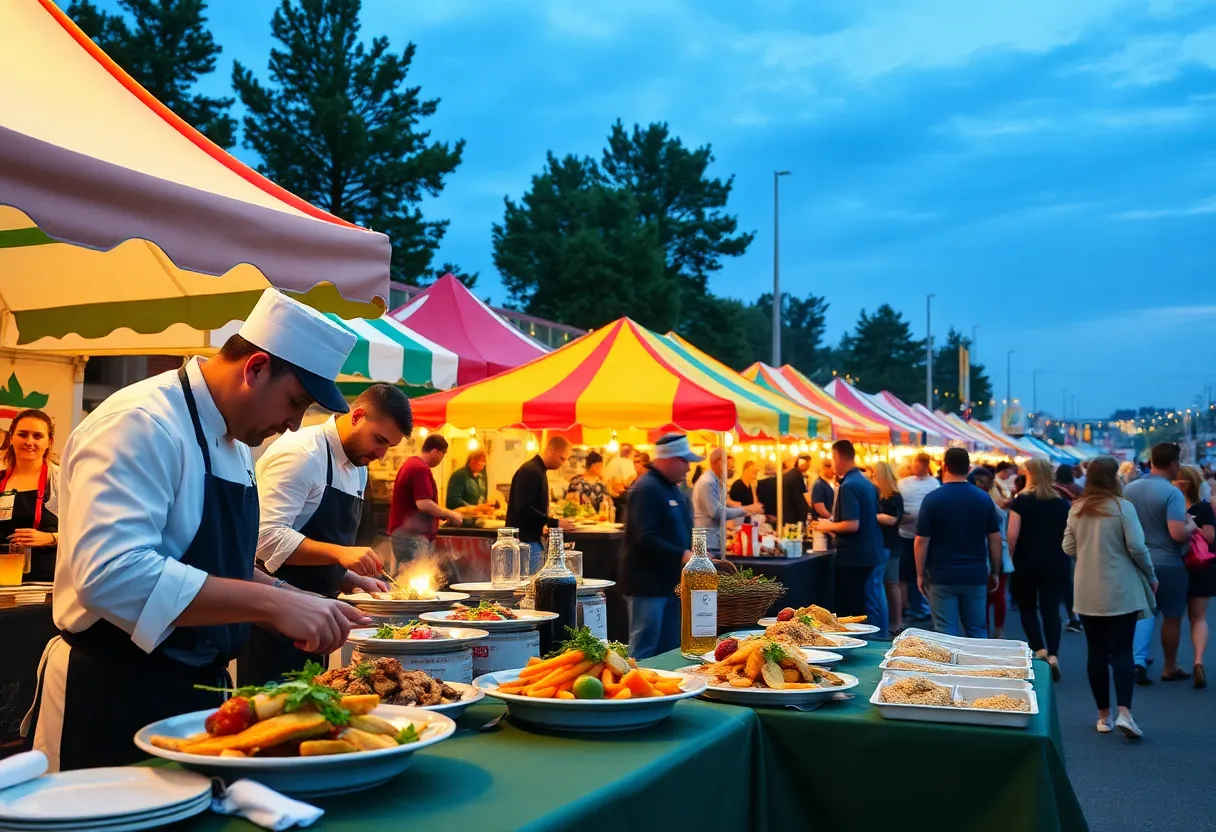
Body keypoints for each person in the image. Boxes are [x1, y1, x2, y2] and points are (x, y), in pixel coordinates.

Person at [25, 289, 371, 771]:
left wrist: (295, 596)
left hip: (195, 692)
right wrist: (273, 603)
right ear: (255, 368)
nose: (295, 424)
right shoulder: (141, 421)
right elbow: (111, 574)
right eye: (296, 401)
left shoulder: (234, 438)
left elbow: (211, 563)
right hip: (111, 694)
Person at [241, 384, 412, 683]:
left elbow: (308, 540)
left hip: (319, 615)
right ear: (357, 416)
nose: (381, 454)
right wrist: (340, 554)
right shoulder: (302, 453)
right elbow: (265, 539)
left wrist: (349, 578)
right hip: (274, 616)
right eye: (379, 440)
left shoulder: (359, 464)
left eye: (389, 446)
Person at [1064, 456, 1156, 738]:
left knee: (1096, 651)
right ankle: (1125, 712)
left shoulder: (1077, 508)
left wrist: (1089, 550)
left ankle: (1104, 716)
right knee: (1123, 650)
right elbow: (1138, 547)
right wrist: (1151, 575)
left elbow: (1068, 546)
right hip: (1121, 588)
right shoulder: (1122, 507)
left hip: (1087, 590)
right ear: (1112, 478)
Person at [621, 434, 700, 658]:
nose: (688, 467)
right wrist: (682, 554)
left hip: (669, 583)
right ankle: (637, 690)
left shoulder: (670, 487)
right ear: (669, 459)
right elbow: (644, 536)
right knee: (645, 646)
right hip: (648, 585)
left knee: (671, 646)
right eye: (684, 460)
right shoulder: (647, 488)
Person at [1125, 442, 1196, 684]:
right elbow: (1177, 533)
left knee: (1144, 611)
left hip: (1137, 561)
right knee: (1173, 615)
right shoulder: (1171, 492)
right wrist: (1191, 527)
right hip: (1168, 562)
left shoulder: (1130, 489)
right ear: (1174, 463)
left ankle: (1137, 659)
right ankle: (1169, 666)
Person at [914, 448, 1002, 637]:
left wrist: (920, 573)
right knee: (977, 629)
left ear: (944, 467)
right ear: (969, 468)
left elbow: (921, 541)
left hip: (941, 575)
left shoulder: (932, 499)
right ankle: (979, 666)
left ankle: (948, 667)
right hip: (975, 574)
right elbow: (995, 538)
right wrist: (995, 571)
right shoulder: (983, 499)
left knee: (945, 632)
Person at [1007, 458, 1071, 679]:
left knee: (1027, 608)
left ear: (1031, 474)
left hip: (1026, 562)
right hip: (1056, 562)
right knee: (1051, 609)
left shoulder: (1021, 501)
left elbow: (1012, 535)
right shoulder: (1062, 503)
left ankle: (1039, 649)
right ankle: (1054, 654)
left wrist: (1008, 560)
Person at [812, 441, 882, 619]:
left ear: (839, 458)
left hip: (852, 556)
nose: (832, 464)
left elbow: (852, 524)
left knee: (848, 609)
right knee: (860, 604)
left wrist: (827, 525)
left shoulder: (849, 485)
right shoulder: (865, 482)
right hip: (867, 552)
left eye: (832, 458)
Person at [388, 434, 463, 580]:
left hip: (406, 535)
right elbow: (423, 503)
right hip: (413, 537)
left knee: (406, 580)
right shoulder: (419, 468)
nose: (442, 459)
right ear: (436, 451)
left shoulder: (411, 464)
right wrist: (450, 514)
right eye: (443, 454)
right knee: (415, 581)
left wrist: (440, 515)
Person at [0, 410, 60, 582]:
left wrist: (49, 538)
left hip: (46, 581)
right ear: (11, 438)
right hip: (5, 577)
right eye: (23, 434)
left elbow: (84, 531)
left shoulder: (62, 480)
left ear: (49, 442)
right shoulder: (1, 478)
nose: (29, 442)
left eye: (37, 436)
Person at [506, 437, 575, 574]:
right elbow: (523, 507)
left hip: (530, 540)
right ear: (551, 450)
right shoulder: (530, 471)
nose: (563, 464)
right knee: (529, 587)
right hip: (525, 542)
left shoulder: (537, 470)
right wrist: (554, 522)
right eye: (562, 458)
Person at [1175, 465, 1215, 688]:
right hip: (1201, 566)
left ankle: (1169, 662)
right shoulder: (1204, 508)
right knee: (1199, 618)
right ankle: (1198, 661)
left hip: (1175, 565)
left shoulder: (1171, 506)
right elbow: (1210, 538)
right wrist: (1196, 527)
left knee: (1172, 616)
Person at [970, 467, 1014, 641]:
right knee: (995, 595)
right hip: (994, 555)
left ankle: (989, 632)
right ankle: (995, 631)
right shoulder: (992, 504)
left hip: (986, 555)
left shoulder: (985, 504)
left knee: (988, 597)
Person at [693, 449, 762, 554]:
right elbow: (716, 512)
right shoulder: (707, 482)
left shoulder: (716, 482)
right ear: (720, 463)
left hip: (714, 541)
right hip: (707, 543)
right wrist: (746, 509)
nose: (731, 470)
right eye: (730, 466)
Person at [898, 453, 939, 622]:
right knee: (905, 573)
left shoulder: (934, 484)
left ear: (925, 465)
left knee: (922, 572)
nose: (913, 467)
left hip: (926, 536)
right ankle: (908, 606)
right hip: (904, 534)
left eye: (916, 464)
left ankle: (922, 607)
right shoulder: (903, 483)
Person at [872, 461, 905, 635]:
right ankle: (893, 621)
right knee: (888, 584)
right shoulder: (881, 494)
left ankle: (896, 622)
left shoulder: (893, 495)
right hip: (885, 544)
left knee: (890, 584)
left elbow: (893, 519)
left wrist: (873, 516)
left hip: (889, 544)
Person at [782, 454, 813, 527]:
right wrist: (808, 511)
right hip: (793, 516)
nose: (809, 466)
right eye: (808, 463)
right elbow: (799, 498)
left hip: (787, 514)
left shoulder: (791, 474)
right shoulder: (797, 476)